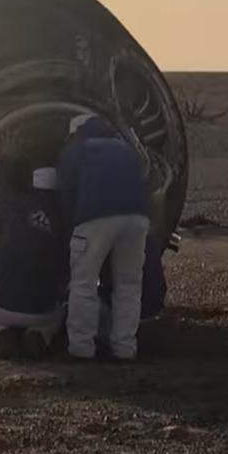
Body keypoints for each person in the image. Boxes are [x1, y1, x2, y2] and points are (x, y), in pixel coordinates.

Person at [57, 113, 151, 361]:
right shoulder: (126, 146)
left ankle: (81, 348)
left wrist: (66, 228)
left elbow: (65, 191)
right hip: (137, 218)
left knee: (83, 283)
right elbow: (146, 176)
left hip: (95, 218)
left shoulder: (76, 148)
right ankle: (125, 348)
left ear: (75, 132)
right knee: (129, 284)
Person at [0, 164, 69, 360]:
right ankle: (38, 336)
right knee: (61, 310)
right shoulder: (66, 221)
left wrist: (4, 158)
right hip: (40, 312)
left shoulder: (18, 204)